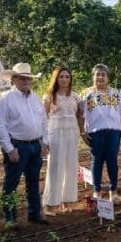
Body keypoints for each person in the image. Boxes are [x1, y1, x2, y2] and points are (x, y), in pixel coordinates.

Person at [0, 62, 49, 227]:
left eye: (28, 78)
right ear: (13, 80)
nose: (26, 81)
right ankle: (10, 218)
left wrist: (44, 143)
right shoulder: (5, 99)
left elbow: (44, 122)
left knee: (33, 181)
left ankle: (34, 213)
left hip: (35, 145)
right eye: (22, 78)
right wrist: (9, 148)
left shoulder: (36, 98)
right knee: (12, 182)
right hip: (17, 146)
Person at [42, 67, 83, 216]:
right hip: (55, 134)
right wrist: (44, 140)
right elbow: (43, 118)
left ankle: (67, 201)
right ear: (56, 79)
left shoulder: (75, 97)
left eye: (67, 77)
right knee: (55, 167)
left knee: (71, 166)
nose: (64, 79)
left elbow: (80, 115)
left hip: (71, 133)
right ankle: (51, 203)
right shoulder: (49, 96)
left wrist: (82, 132)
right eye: (61, 77)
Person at [81, 64, 121, 201]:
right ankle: (97, 191)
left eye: (103, 74)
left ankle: (113, 191)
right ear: (93, 77)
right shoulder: (86, 93)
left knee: (112, 160)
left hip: (114, 131)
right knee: (97, 161)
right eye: (97, 74)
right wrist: (82, 132)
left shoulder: (115, 93)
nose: (100, 77)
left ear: (107, 78)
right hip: (95, 132)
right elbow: (80, 114)